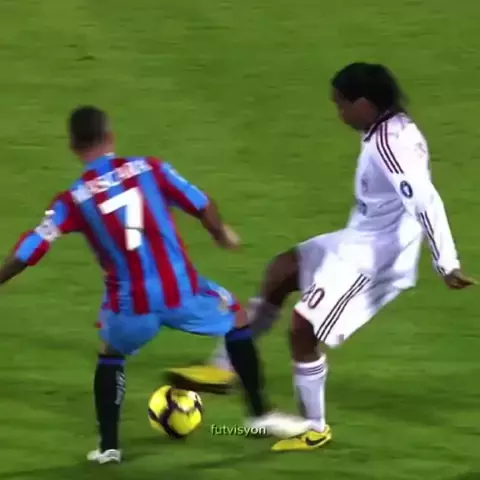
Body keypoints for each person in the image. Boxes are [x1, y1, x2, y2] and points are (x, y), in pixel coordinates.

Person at [165, 62, 475, 451]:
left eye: (342, 105)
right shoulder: (388, 129)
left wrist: (447, 263)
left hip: (376, 258)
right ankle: (225, 368)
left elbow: (425, 201)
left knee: (303, 328)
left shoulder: (391, 145)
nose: (339, 114)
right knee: (282, 270)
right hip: (358, 239)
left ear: (364, 103)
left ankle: (314, 428)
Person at [0, 106, 308, 464]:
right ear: (111, 136)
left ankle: (109, 447)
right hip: (183, 291)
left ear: (73, 146)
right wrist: (220, 232)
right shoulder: (150, 168)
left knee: (111, 355)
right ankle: (260, 414)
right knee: (237, 318)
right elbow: (200, 202)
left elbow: (32, 247)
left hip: (131, 304)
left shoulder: (72, 200)